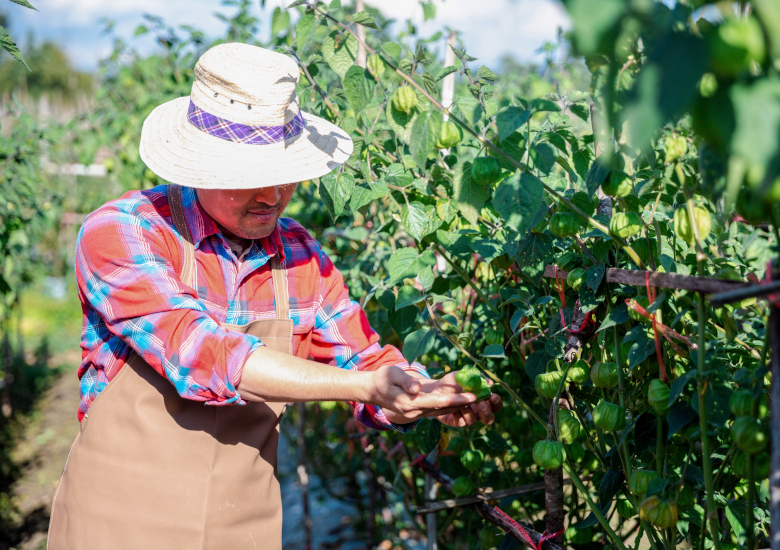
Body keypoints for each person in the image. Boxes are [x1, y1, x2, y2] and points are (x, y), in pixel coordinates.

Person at [46, 42, 502, 549]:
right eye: (249, 178)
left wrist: (416, 392)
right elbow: (202, 353)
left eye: (284, 173)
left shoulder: (300, 254)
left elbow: (364, 361)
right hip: (118, 524)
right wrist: (367, 387)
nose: (272, 194)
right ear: (199, 167)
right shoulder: (125, 231)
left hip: (242, 526)